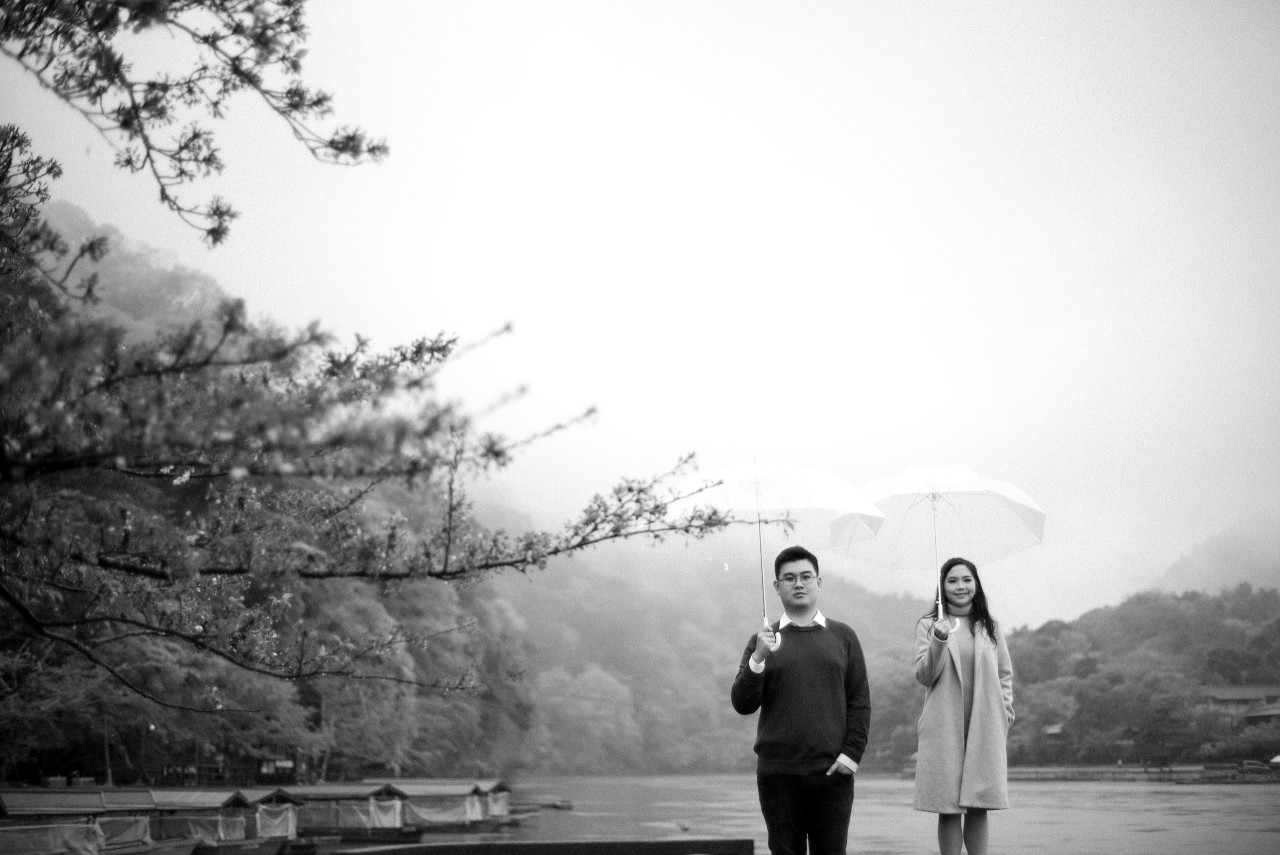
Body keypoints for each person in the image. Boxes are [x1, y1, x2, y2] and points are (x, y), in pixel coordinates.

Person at [731, 545, 872, 855]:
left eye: (806, 576)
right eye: (790, 578)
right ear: (776, 586)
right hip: (777, 774)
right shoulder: (762, 640)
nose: (799, 583)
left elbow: (859, 701)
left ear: (818, 582)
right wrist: (758, 657)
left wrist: (851, 755)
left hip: (832, 772)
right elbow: (742, 703)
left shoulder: (843, 636)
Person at [913, 556, 1015, 855]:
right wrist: (939, 638)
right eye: (953, 580)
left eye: (967, 579)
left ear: (976, 584)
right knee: (948, 806)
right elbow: (924, 675)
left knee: (979, 804)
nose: (961, 586)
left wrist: (1005, 713)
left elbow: (1005, 673)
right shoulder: (929, 625)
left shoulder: (989, 626)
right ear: (942, 586)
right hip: (944, 725)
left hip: (985, 724)